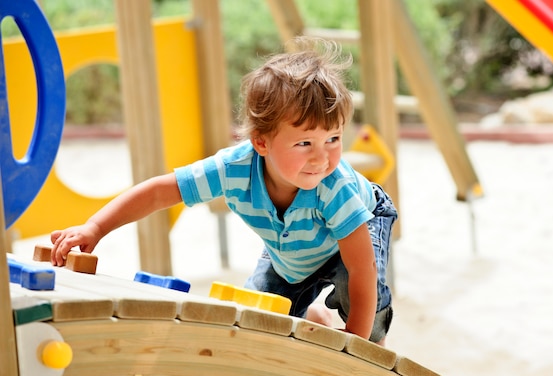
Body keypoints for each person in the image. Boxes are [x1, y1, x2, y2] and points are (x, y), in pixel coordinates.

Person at [50, 37, 397, 344]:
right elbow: (159, 192)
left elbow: (361, 265)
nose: (322, 157)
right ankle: (314, 315)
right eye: (305, 142)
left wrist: (357, 340)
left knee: (362, 303)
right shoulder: (234, 170)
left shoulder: (334, 186)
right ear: (261, 143)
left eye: (333, 139)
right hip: (293, 250)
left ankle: (374, 340)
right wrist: (94, 227)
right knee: (261, 314)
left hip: (358, 234)